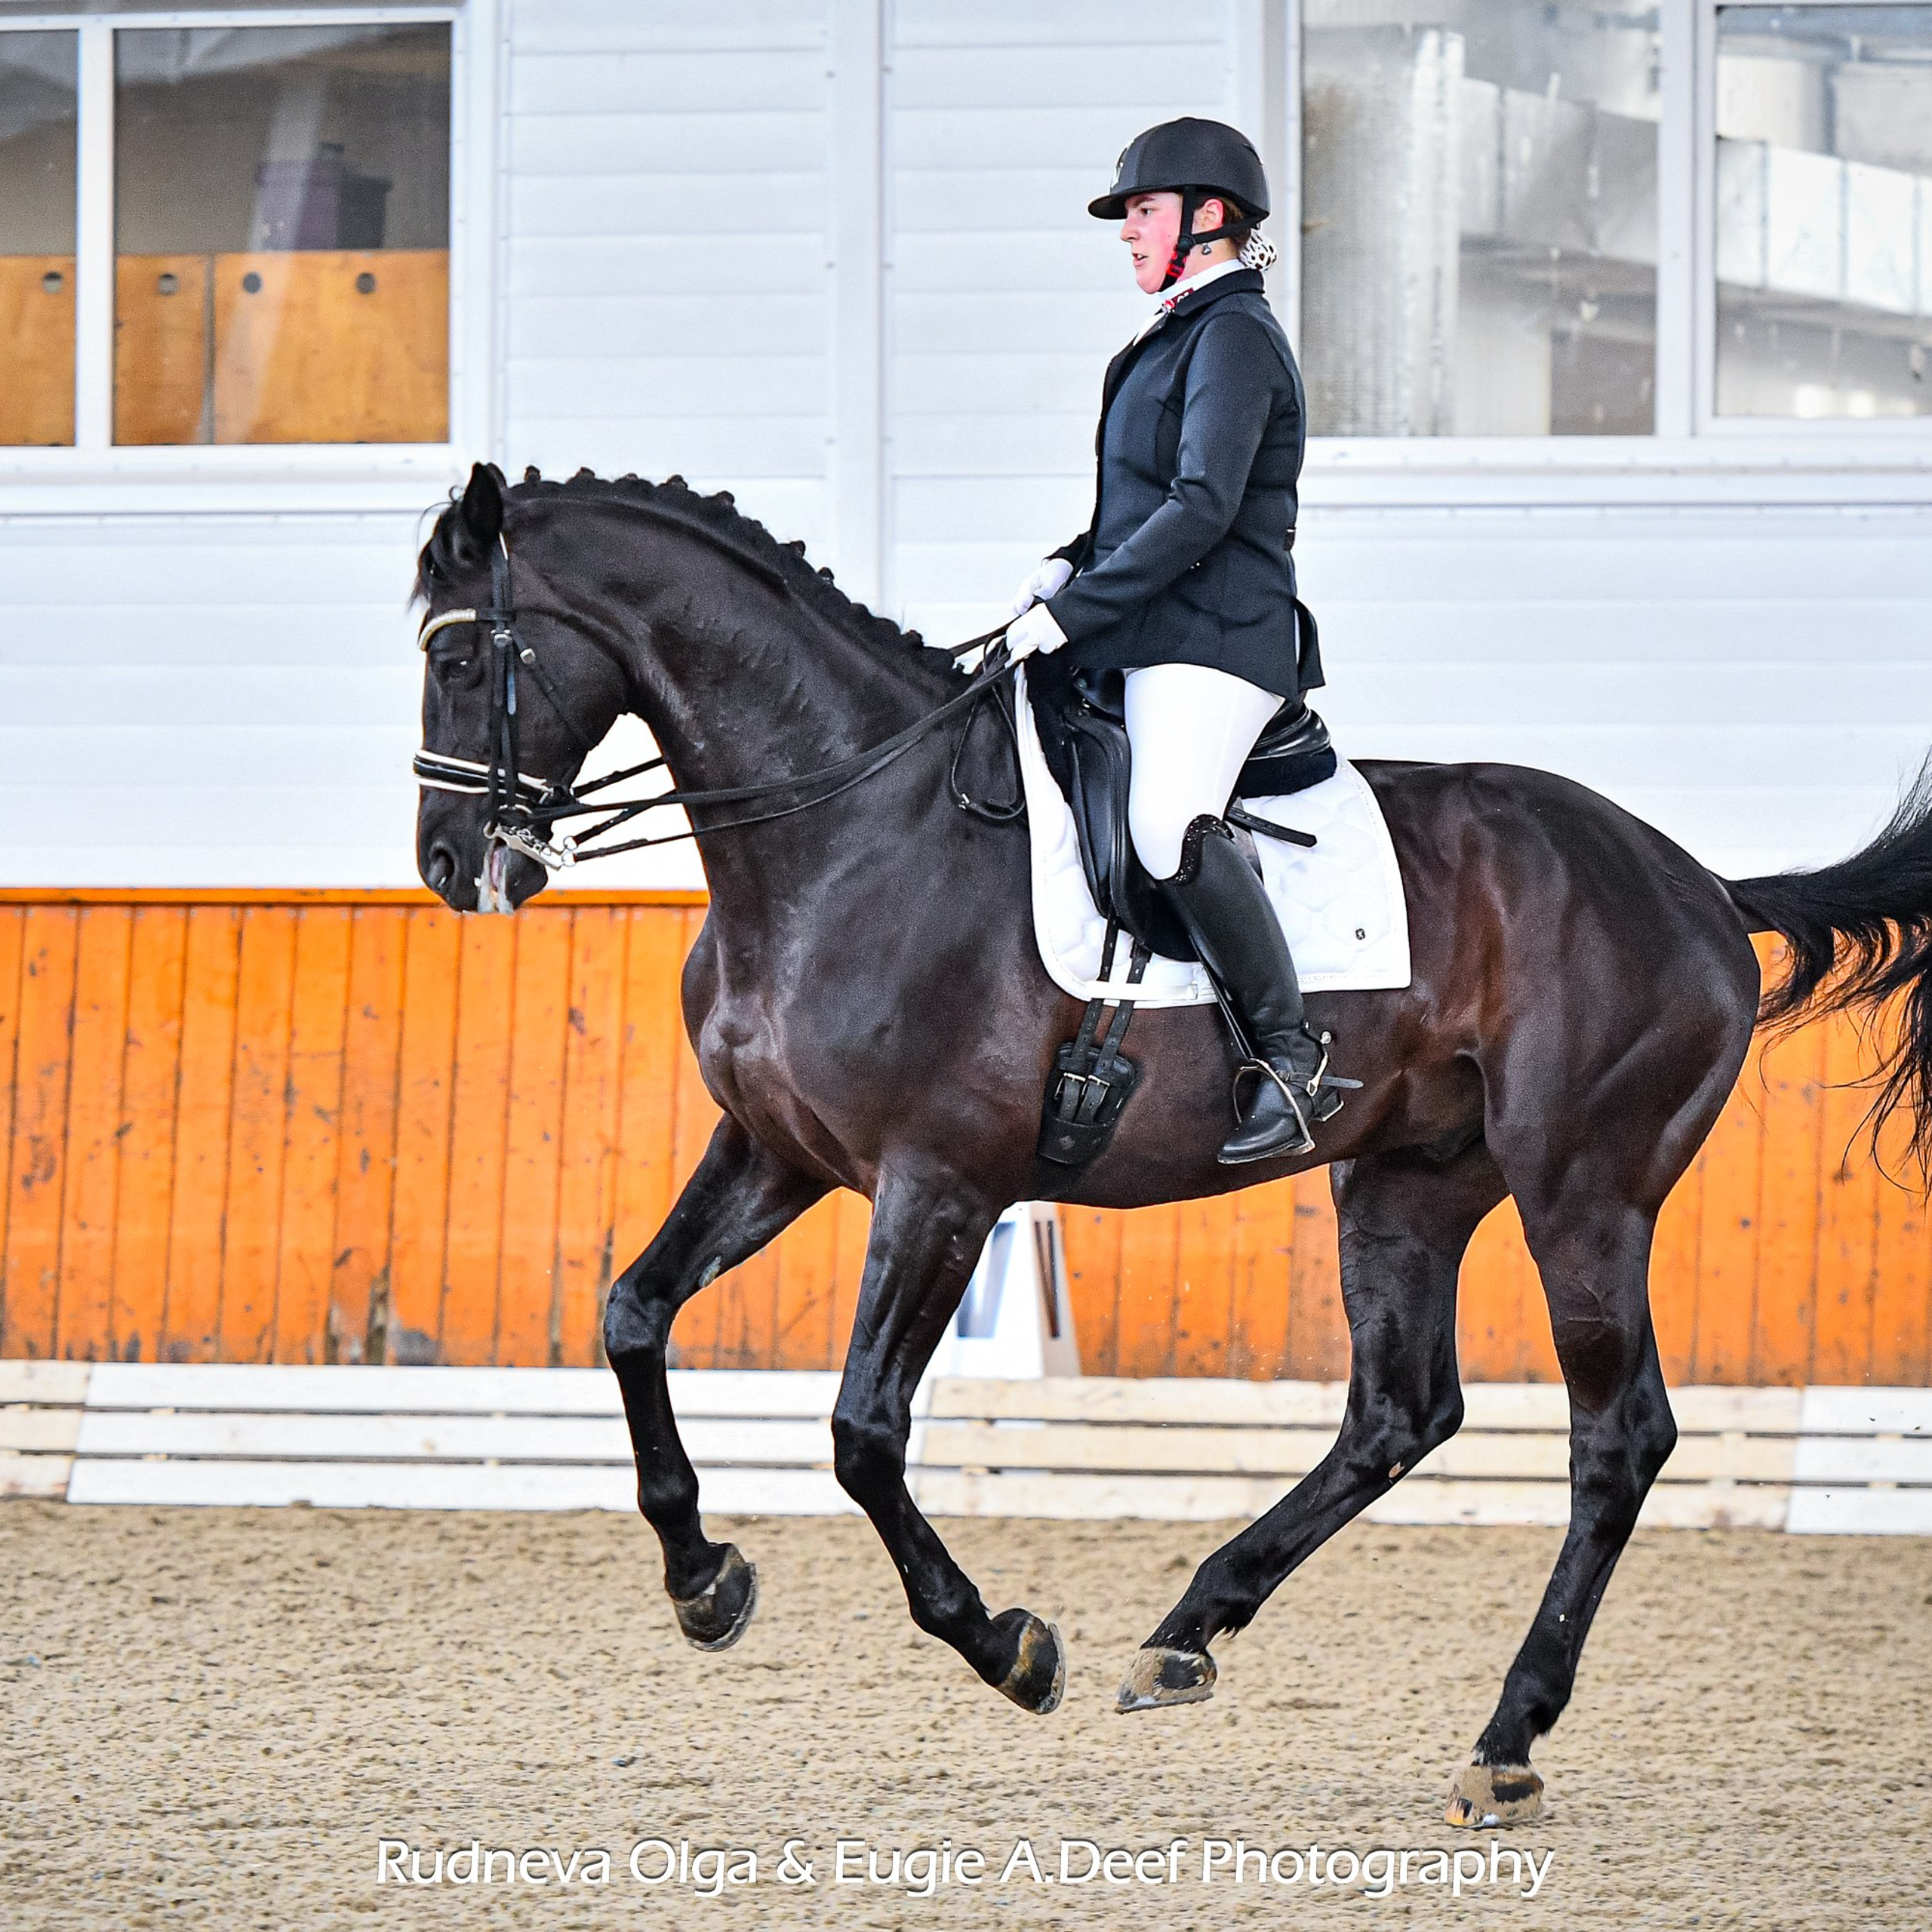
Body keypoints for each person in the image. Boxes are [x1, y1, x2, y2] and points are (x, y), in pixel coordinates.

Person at [1002, 117, 1346, 1163]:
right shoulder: (1177, 332)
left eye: (1142, 212)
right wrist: (1071, 565)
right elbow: (1136, 505)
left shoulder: (1235, 335)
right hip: (1145, 628)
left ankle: (1293, 1062)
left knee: (1167, 825)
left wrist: (1080, 609)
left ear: (1208, 218)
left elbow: (1201, 509)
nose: (1127, 234)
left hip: (1218, 640)